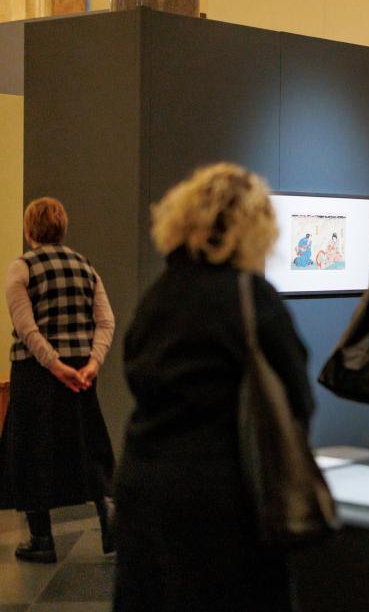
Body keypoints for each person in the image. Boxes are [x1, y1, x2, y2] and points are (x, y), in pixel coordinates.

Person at [114, 163, 313, 612]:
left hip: (142, 482)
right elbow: (297, 396)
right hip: (223, 494)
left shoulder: (156, 296)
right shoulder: (249, 295)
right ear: (254, 227)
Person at [0, 197, 116, 563]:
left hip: (36, 374)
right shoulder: (86, 267)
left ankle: (41, 539)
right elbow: (106, 321)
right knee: (89, 442)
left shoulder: (21, 268)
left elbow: (26, 327)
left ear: (28, 229)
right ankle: (109, 513)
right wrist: (92, 363)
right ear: (62, 227)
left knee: (31, 450)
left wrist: (53, 364)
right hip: (81, 372)